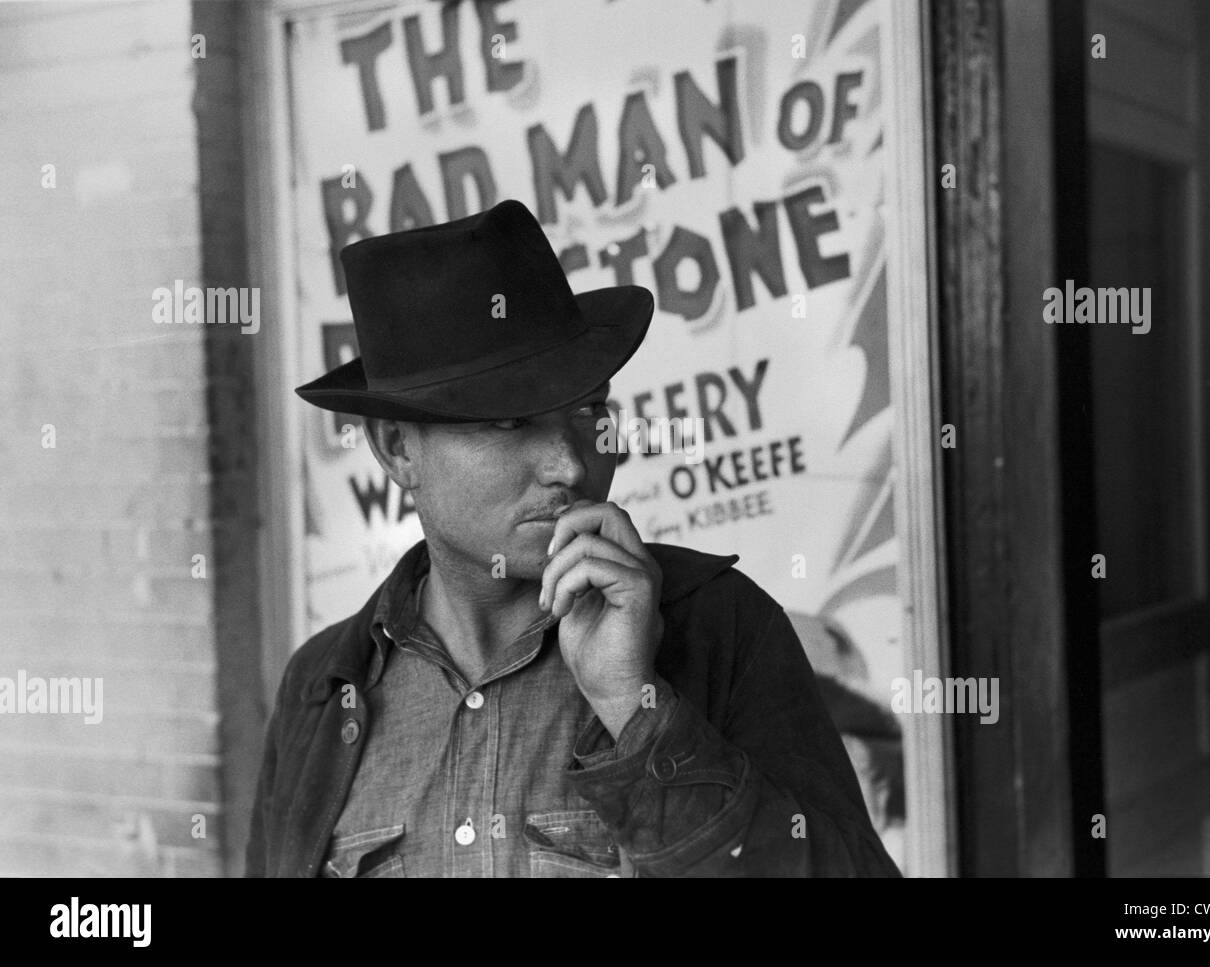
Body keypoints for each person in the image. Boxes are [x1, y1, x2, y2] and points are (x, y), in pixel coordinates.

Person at [245, 199, 901, 877]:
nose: (570, 462)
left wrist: (636, 710)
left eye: (589, 409)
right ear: (396, 450)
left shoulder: (720, 631)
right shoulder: (324, 686)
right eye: (510, 422)